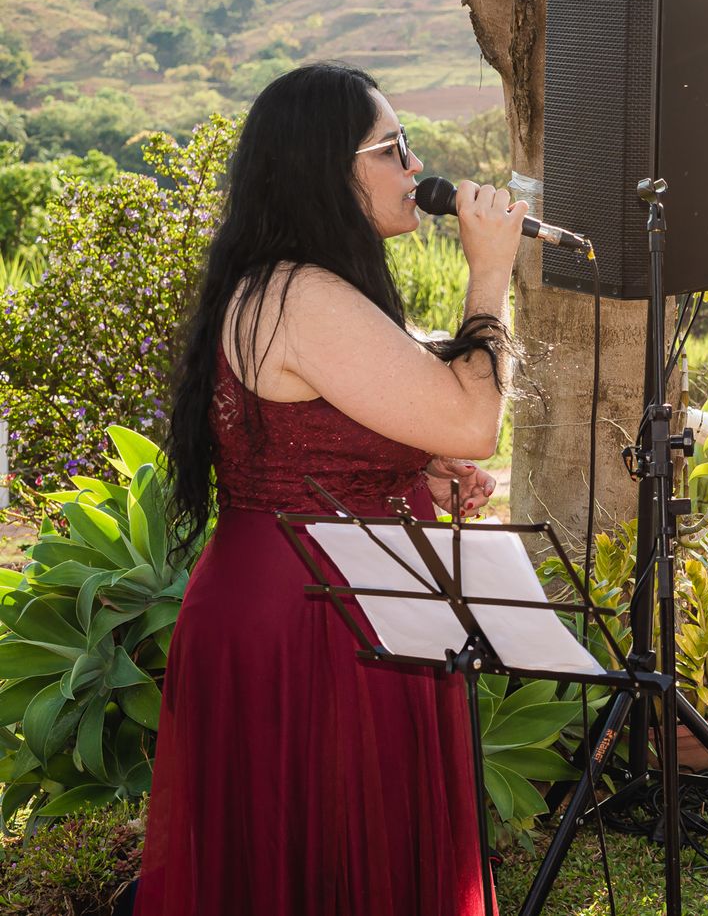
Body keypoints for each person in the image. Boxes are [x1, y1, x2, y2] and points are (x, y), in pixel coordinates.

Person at [138, 63, 523, 916]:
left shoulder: (292, 285)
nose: (415, 168)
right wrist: (489, 274)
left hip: (325, 595)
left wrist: (409, 468)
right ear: (325, 167)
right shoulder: (301, 294)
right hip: (314, 618)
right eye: (391, 149)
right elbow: (472, 421)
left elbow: (313, 435)